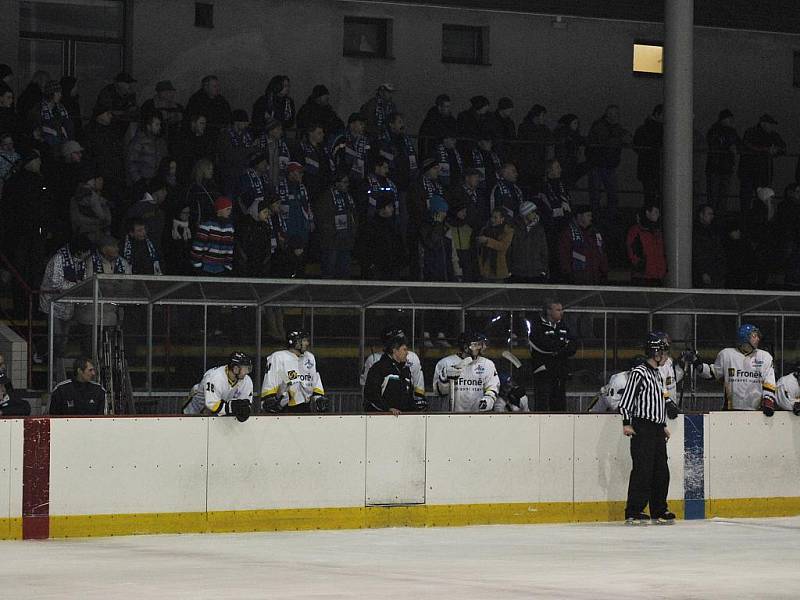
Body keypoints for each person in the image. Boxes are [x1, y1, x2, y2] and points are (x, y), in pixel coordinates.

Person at [619, 333, 675, 525]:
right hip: (642, 427)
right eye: (664, 351)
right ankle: (633, 510)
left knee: (661, 471)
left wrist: (663, 425)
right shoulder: (639, 372)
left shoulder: (658, 374)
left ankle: (659, 509)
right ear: (656, 352)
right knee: (643, 470)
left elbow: (659, 400)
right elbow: (627, 400)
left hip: (657, 428)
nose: (666, 356)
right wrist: (627, 423)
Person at [689, 324, 777, 414]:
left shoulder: (764, 356)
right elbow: (712, 373)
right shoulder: (726, 354)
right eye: (754, 336)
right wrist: (697, 363)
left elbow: (769, 380)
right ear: (744, 337)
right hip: (730, 412)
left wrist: (768, 400)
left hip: (756, 412)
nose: (758, 339)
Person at [261, 331, 327, 413]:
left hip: (305, 407)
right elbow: (272, 379)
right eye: (304, 341)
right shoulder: (279, 357)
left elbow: (314, 378)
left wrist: (318, 397)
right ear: (294, 342)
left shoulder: (309, 357)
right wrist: (269, 398)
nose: (307, 343)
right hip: (284, 407)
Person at [528, 299, 575, 412]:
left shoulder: (563, 325)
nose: (561, 312)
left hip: (560, 372)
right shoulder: (537, 326)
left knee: (559, 405)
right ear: (549, 311)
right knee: (542, 405)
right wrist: (563, 345)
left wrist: (559, 349)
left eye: (562, 309)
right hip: (543, 372)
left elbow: (574, 345)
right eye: (558, 310)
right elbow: (544, 345)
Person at [434, 331, 499, 412]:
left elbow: (492, 387)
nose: (483, 347)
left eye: (482, 344)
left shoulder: (488, 364)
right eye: (478, 344)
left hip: (477, 418)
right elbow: (439, 392)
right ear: (465, 347)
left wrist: (488, 400)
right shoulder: (445, 363)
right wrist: (445, 380)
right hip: (451, 418)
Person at [363, 328, 424, 414]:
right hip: (380, 420)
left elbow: (408, 398)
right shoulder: (379, 368)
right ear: (395, 350)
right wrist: (387, 409)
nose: (407, 353)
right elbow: (371, 396)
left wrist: (416, 409)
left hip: (402, 421)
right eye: (404, 349)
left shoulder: (405, 370)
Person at [586, 105, 631, 218]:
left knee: (609, 192)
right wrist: (620, 139)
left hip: (607, 164)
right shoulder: (600, 126)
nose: (617, 117)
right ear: (609, 115)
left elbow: (627, 138)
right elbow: (605, 141)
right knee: (600, 192)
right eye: (615, 114)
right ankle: (598, 215)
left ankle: (605, 214)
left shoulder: (613, 127)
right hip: (599, 164)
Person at [182, 352, 253, 422]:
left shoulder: (246, 380)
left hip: (217, 413)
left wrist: (243, 410)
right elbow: (211, 404)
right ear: (235, 369)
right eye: (245, 368)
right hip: (196, 409)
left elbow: (245, 404)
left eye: (248, 368)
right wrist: (232, 407)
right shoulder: (214, 377)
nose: (247, 371)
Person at [738, 114, 786, 212]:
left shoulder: (771, 134)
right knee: (749, 197)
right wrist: (766, 150)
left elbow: (784, 148)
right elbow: (748, 146)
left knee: (758, 198)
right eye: (770, 124)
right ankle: (748, 218)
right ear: (763, 123)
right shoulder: (752, 132)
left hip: (760, 172)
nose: (771, 126)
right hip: (751, 171)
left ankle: (754, 217)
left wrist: (776, 150)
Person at [316, 171, 357, 279]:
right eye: (345, 182)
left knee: (344, 270)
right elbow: (322, 218)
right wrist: (331, 233)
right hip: (332, 241)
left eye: (348, 182)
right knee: (330, 270)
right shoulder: (327, 197)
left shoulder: (348, 197)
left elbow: (353, 216)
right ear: (336, 183)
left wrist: (352, 232)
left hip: (345, 240)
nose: (347, 184)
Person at [558, 205, 608, 284]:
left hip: (595, 276)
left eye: (591, 216)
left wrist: (604, 270)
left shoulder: (595, 233)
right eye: (588, 215)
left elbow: (602, 252)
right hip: (577, 277)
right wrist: (568, 273)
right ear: (579, 216)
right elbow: (564, 254)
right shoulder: (569, 233)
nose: (591, 218)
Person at [235, 198, 280, 278]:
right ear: (256, 211)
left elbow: (267, 249)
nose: (267, 215)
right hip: (246, 268)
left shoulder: (265, 227)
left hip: (260, 269)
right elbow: (240, 248)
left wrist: (264, 266)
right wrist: (244, 266)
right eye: (264, 212)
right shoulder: (245, 225)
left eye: (267, 212)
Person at [705, 109, 740, 210]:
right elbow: (714, 143)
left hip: (721, 168)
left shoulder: (728, 131)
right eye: (730, 119)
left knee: (719, 196)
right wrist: (730, 147)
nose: (732, 121)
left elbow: (739, 144)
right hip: (717, 168)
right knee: (717, 196)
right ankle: (716, 217)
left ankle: (715, 217)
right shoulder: (715, 130)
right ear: (724, 119)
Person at [191, 196, 235, 275]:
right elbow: (198, 247)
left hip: (221, 268)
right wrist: (197, 265)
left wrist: (228, 266)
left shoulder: (230, 228)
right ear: (219, 210)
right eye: (227, 209)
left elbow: (230, 249)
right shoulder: (207, 226)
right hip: (205, 267)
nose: (230, 212)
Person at [626, 203, 667, 286]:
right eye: (655, 212)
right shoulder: (637, 230)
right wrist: (641, 266)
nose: (658, 215)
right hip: (643, 277)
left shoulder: (656, 231)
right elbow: (632, 251)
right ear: (648, 213)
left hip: (656, 275)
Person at [633, 104, 664, 207]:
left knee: (649, 195)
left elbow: (636, 146)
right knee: (659, 194)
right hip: (656, 167)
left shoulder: (642, 129)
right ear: (658, 115)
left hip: (646, 167)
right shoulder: (663, 130)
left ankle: (650, 217)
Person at [510, 200, 548, 283]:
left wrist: (543, 270)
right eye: (532, 212)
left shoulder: (539, 229)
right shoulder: (513, 228)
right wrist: (510, 270)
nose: (535, 214)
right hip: (518, 272)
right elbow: (509, 249)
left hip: (536, 272)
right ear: (526, 213)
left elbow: (543, 250)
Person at [171, 113, 214, 186]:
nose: (204, 126)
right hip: (185, 175)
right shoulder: (182, 137)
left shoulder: (206, 139)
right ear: (193, 123)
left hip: (199, 175)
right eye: (201, 123)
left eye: (205, 123)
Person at [126, 111, 166, 184]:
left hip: (156, 181)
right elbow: (131, 162)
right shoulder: (139, 141)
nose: (159, 127)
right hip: (143, 181)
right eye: (157, 125)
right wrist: (138, 180)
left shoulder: (160, 141)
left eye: (160, 124)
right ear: (149, 126)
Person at [95, 72, 138, 138]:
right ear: (119, 84)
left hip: (122, 127)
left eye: (130, 83)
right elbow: (106, 112)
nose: (129, 85)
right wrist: (123, 112)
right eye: (127, 83)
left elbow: (133, 109)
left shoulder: (130, 93)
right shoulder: (107, 92)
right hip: (105, 128)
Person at [692, 204, 726, 288]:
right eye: (709, 214)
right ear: (701, 215)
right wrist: (703, 272)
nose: (712, 216)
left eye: (712, 214)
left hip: (715, 271)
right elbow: (697, 253)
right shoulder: (697, 232)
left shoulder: (712, 230)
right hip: (707, 271)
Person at [477, 208, 514, 283]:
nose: (492, 220)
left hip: (499, 268)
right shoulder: (485, 229)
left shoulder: (508, 231)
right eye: (492, 217)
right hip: (485, 268)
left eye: (495, 217)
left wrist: (487, 241)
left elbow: (503, 246)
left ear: (502, 219)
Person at [418, 94, 457, 159]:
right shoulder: (430, 121)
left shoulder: (451, 120)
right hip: (435, 156)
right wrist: (443, 140)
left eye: (449, 106)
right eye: (447, 107)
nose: (449, 109)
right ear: (439, 107)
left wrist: (453, 140)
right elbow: (425, 142)